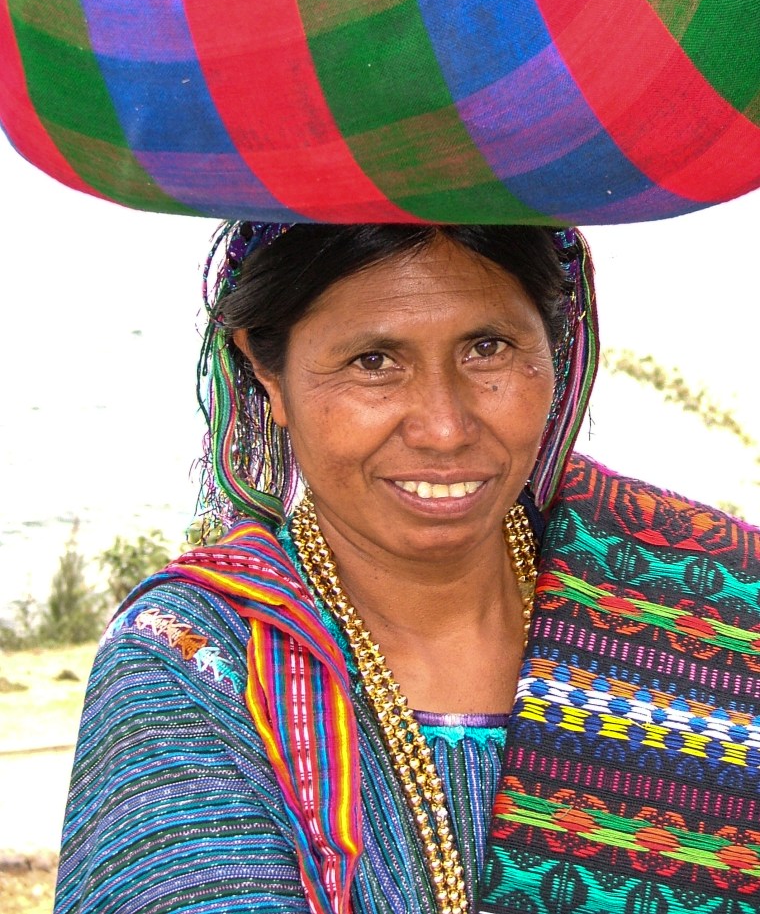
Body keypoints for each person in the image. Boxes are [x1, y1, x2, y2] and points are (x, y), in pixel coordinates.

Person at [54, 223, 760, 914]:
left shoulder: (710, 609)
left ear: (557, 344)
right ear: (266, 371)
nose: (444, 426)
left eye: (487, 348)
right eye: (373, 361)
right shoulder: (195, 660)